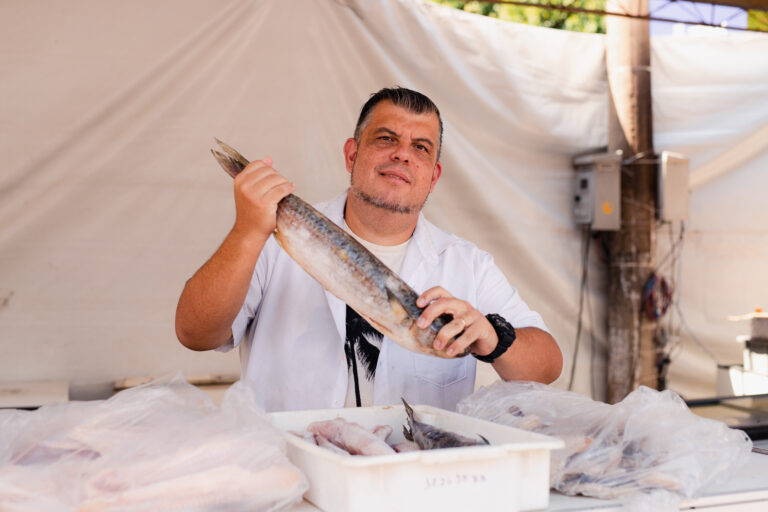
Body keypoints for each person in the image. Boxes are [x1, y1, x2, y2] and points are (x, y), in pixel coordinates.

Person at [175, 87, 562, 412]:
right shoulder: (272, 237)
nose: (402, 154)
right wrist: (246, 232)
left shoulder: (468, 264)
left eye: (421, 148)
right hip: (292, 477)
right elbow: (195, 333)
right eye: (386, 139)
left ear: (433, 177)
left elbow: (547, 365)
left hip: (411, 484)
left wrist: (495, 337)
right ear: (351, 154)